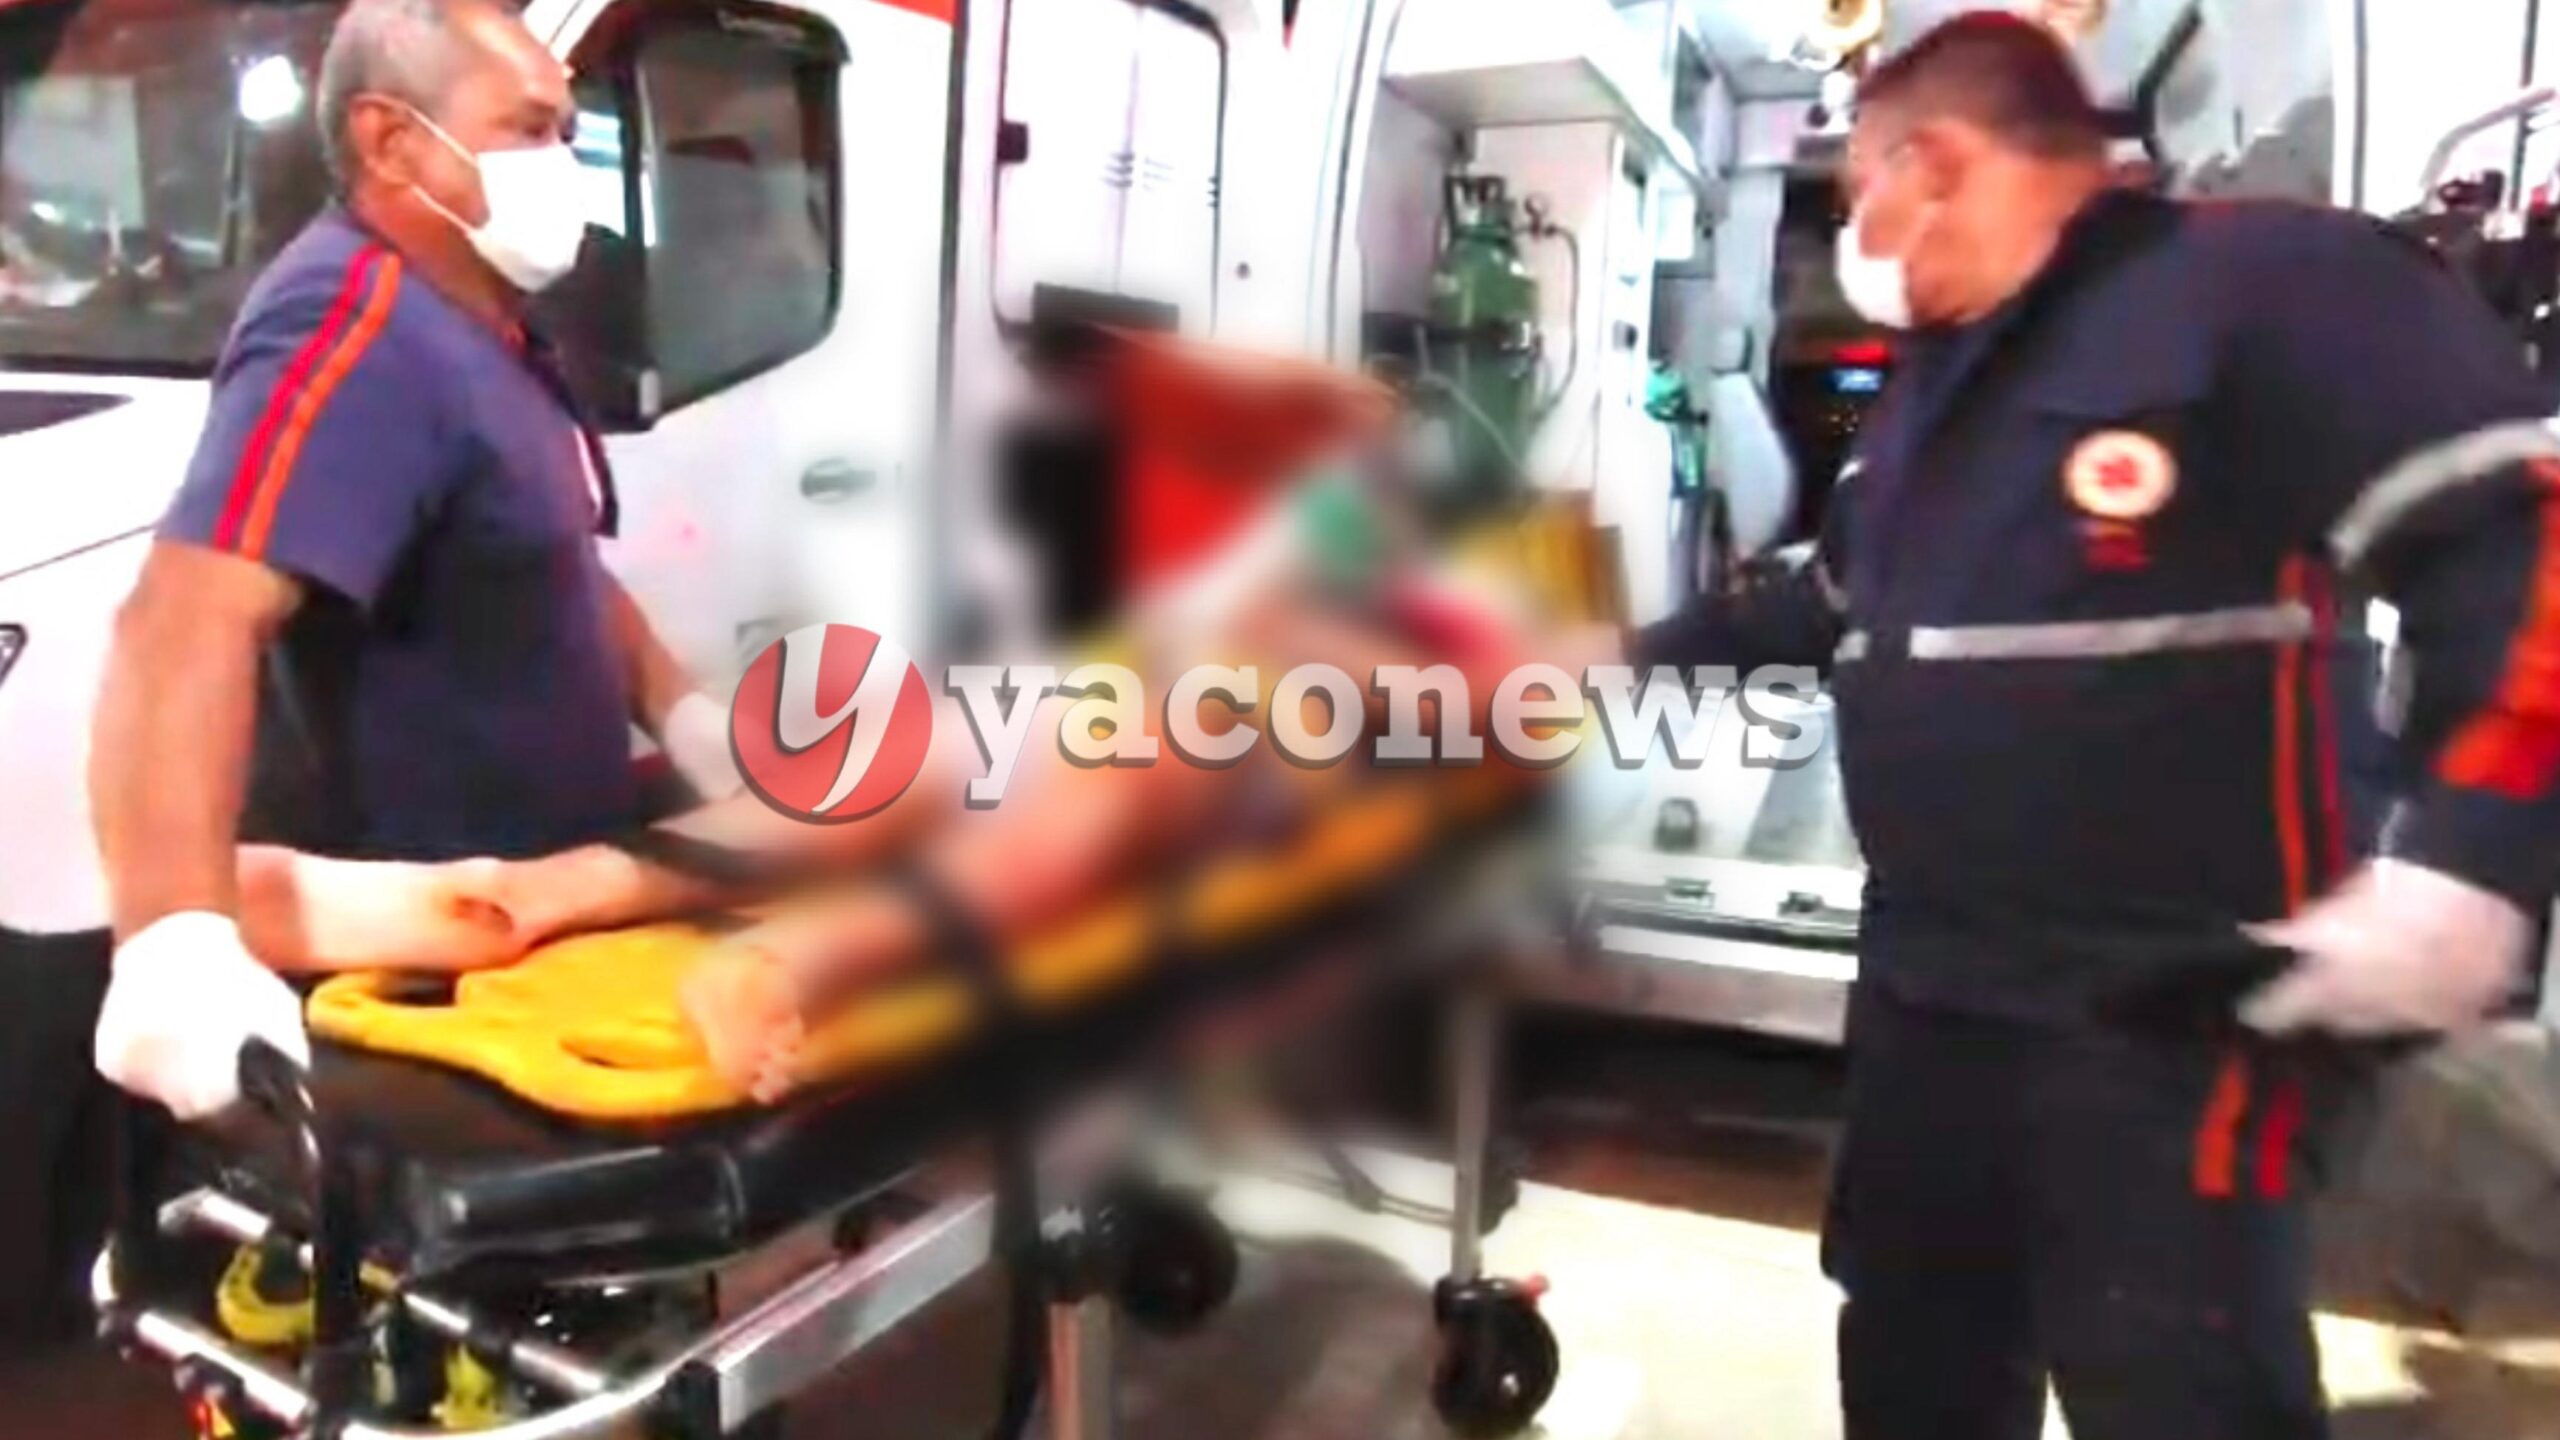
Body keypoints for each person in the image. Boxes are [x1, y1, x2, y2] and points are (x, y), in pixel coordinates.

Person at [1630, 14, 2559, 1439]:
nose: (1853, 236)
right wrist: (1596, 661)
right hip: (1929, 1000)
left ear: (1932, 165)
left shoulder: (2261, 286)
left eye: (1858, 189)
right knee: (1915, 1367)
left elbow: (2516, 540)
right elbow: (1817, 608)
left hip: (2161, 1021)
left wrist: (2468, 863)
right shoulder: (1924, 406)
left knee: (2174, 1387)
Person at [88, 0, 736, 1124]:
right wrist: (173, 940)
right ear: (392, 141)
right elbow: (183, 614)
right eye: (526, 128)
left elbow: (549, 550)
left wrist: (686, 718)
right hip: (414, 967)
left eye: (564, 130)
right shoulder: (352, 322)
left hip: (547, 926)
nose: (558, 163)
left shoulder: (492, 328)